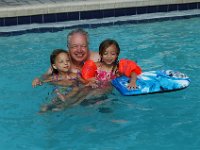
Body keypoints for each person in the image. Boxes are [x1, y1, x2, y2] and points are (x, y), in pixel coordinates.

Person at [32, 28, 100, 87]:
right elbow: (45, 77)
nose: (79, 50)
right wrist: (38, 80)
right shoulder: (62, 60)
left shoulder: (97, 58)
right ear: (68, 47)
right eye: (75, 46)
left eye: (83, 46)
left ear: (88, 46)